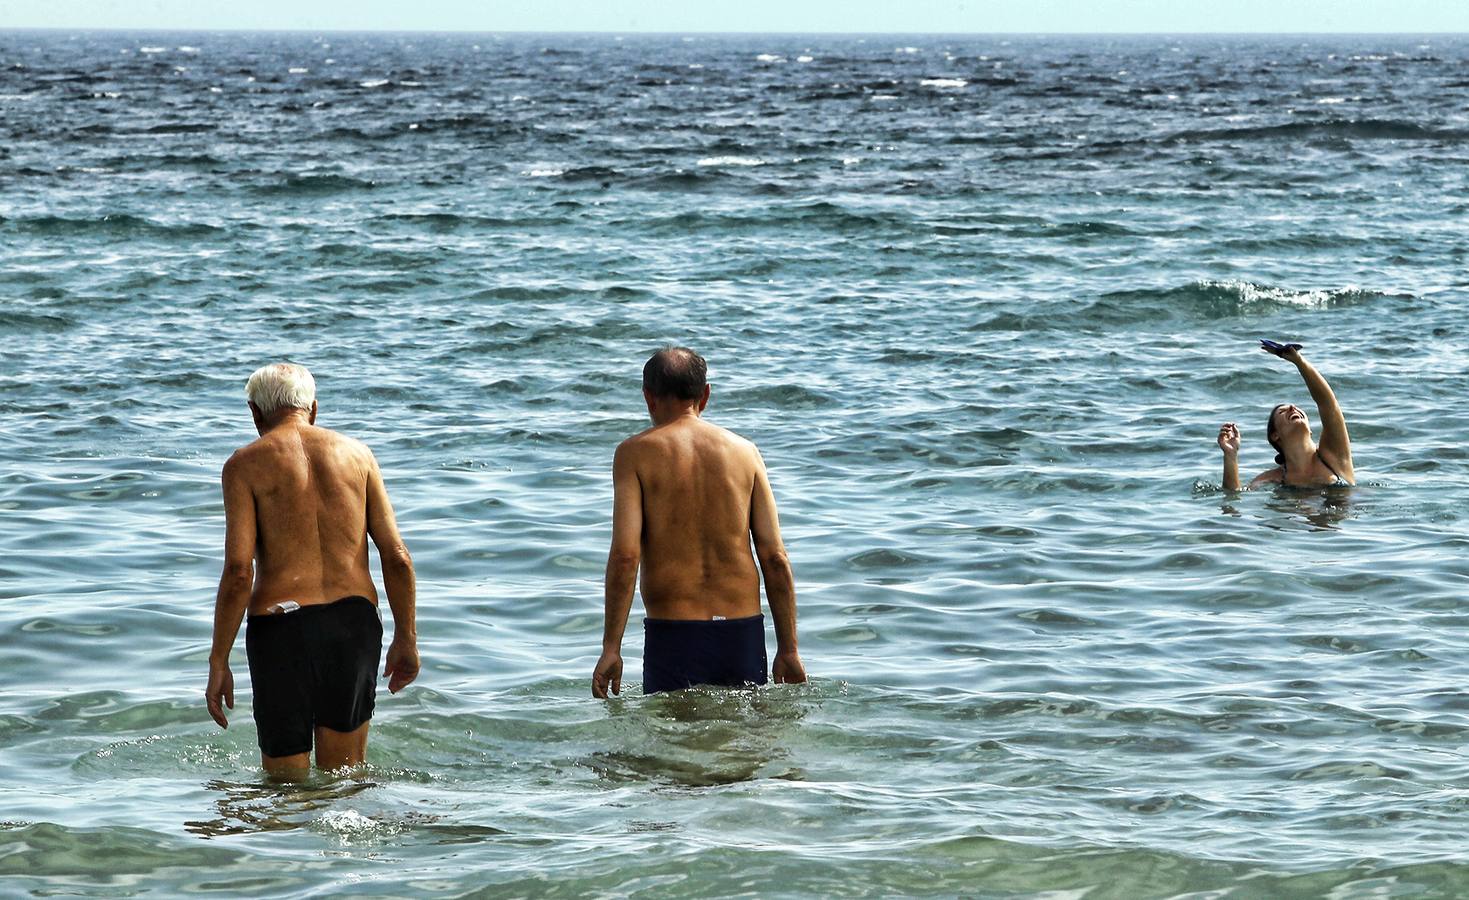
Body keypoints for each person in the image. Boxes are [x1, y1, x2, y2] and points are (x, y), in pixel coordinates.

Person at [205, 363, 419, 778]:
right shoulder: (359, 455)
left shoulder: (244, 465)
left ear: (255, 414)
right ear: (313, 408)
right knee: (346, 777)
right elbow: (397, 557)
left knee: (285, 785)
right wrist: (406, 638)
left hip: (281, 629)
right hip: (352, 624)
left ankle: (283, 842)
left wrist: (219, 660)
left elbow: (237, 572)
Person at [592, 347, 806, 698]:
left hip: (673, 633)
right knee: (745, 745)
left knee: (671, 746)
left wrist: (611, 648)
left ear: (648, 397)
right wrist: (789, 649)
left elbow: (626, 556)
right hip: (742, 632)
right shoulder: (746, 452)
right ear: (705, 395)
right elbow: (775, 558)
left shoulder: (634, 454)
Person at [1218, 342, 1355, 491]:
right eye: (1282, 412)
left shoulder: (1333, 455)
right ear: (1275, 435)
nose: (1292, 407)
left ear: (1310, 429)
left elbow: (1328, 404)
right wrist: (1230, 456)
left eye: (1296, 408)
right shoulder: (1271, 479)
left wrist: (1298, 361)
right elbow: (1233, 499)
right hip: (1296, 512)